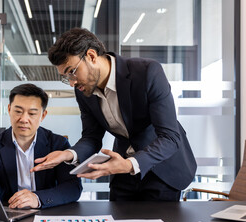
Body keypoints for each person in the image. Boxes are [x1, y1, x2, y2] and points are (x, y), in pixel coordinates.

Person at [31, 28, 197, 201]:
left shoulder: (147, 72)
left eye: (72, 71)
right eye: (65, 77)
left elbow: (170, 137)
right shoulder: (83, 92)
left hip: (162, 168)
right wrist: (68, 154)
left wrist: (129, 164)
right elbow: (91, 137)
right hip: (121, 169)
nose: (72, 82)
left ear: (92, 56)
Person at [0, 83, 82, 209]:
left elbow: (72, 187)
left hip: (47, 211)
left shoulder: (58, 144)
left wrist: (37, 198)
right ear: (9, 110)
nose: (24, 119)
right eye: (18, 111)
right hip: (8, 212)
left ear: (43, 115)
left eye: (32, 113)